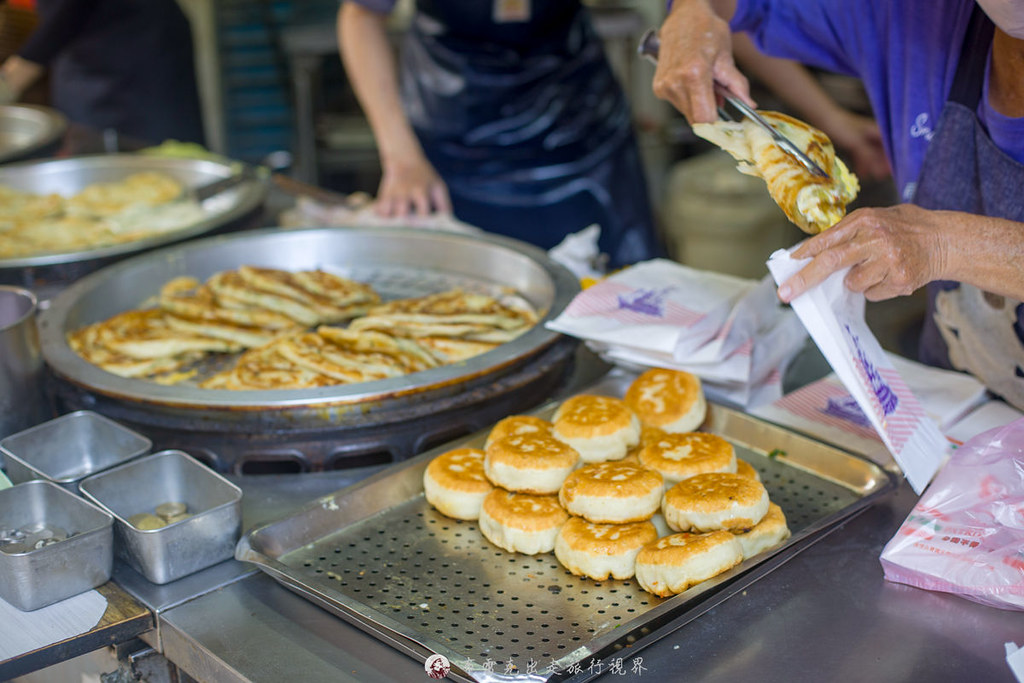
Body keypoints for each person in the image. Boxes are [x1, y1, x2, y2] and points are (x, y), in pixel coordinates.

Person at [652, 0, 1024, 409]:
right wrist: (694, 11)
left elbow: (943, 244)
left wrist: (944, 245)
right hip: (960, 408)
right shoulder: (918, 17)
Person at [336, 0, 664, 268]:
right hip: (453, 126)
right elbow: (361, 16)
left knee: (623, 292)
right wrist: (401, 156)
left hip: (579, 121)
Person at [0, 0, 204, 145]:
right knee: (86, 146)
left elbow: (71, 7)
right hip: (76, 48)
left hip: (138, 43)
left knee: (158, 152)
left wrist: (11, 80)